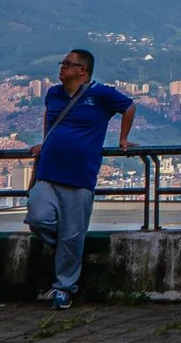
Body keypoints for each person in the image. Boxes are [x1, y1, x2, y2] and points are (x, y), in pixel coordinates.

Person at [25, 47, 134, 308]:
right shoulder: (53, 93)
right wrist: (45, 140)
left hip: (80, 176)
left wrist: (123, 138)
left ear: (82, 70)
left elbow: (129, 107)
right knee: (37, 217)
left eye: (67, 63)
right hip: (48, 172)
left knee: (72, 235)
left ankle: (64, 289)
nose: (62, 67)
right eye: (62, 62)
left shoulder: (101, 94)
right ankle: (69, 251)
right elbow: (49, 117)